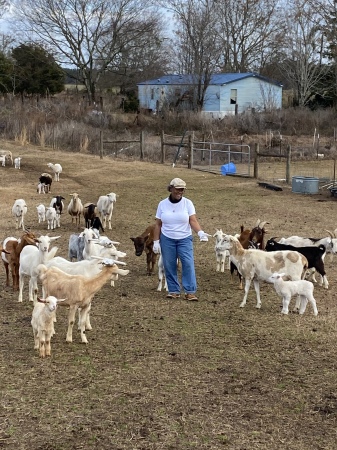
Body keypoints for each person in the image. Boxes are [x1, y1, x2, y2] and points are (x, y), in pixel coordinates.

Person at [153, 177, 210, 301]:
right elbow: (158, 224)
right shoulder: (162, 204)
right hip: (167, 239)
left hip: (184, 238)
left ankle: (190, 291)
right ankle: (173, 290)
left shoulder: (187, 203)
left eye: (182, 190)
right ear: (171, 189)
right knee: (169, 264)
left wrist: (200, 232)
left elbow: (192, 220)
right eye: (177, 189)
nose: (180, 192)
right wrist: (156, 241)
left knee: (188, 263)